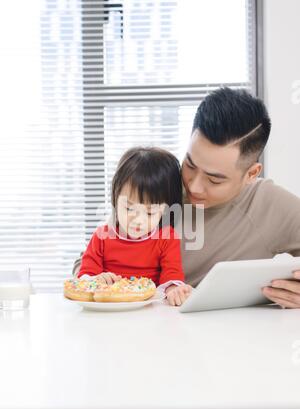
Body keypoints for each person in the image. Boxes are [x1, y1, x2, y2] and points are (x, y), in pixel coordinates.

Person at [74, 88, 300, 309]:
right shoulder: (160, 189)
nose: (193, 185)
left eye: (214, 180)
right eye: (190, 164)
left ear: (251, 173)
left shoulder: (270, 205)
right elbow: (86, 262)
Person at [76, 146, 192, 306]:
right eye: (129, 208)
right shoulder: (102, 236)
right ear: (116, 200)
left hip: (149, 309)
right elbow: (85, 275)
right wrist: (95, 280)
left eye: (150, 213)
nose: (138, 220)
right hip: (109, 308)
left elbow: (171, 274)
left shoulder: (167, 237)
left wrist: (173, 289)